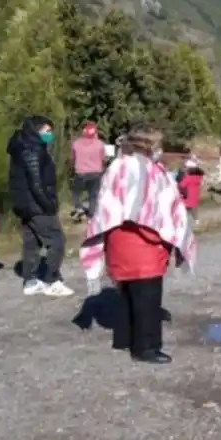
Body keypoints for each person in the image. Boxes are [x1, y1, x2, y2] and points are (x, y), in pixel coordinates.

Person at [80, 124, 196, 364]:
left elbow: (103, 204)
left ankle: (124, 338)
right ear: (150, 146)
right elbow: (164, 208)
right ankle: (147, 347)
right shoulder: (153, 172)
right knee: (147, 298)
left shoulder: (116, 167)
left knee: (126, 293)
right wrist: (172, 238)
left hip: (118, 239)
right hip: (146, 241)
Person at [7, 116, 73, 297]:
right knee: (56, 241)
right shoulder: (32, 150)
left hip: (25, 205)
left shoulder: (21, 147)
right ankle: (51, 279)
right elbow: (36, 183)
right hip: (36, 205)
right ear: (36, 130)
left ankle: (30, 280)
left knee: (32, 243)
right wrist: (48, 205)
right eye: (47, 131)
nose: (50, 135)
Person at [70, 121, 105, 221]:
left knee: (75, 193)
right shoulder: (100, 144)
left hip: (80, 173)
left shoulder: (76, 143)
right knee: (93, 195)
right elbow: (103, 159)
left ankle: (79, 208)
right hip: (96, 173)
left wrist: (73, 166)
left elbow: (72, 159)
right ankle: (91, 216)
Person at [178, 159, 204, 225]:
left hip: (187, 196)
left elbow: (181, 185)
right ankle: (197, 221)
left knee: (182, 208)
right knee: (194, 209)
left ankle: (182, 221)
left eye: (186, 167)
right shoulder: (199, 177)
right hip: (195, 195)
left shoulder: (188, 178)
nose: (185, 169)